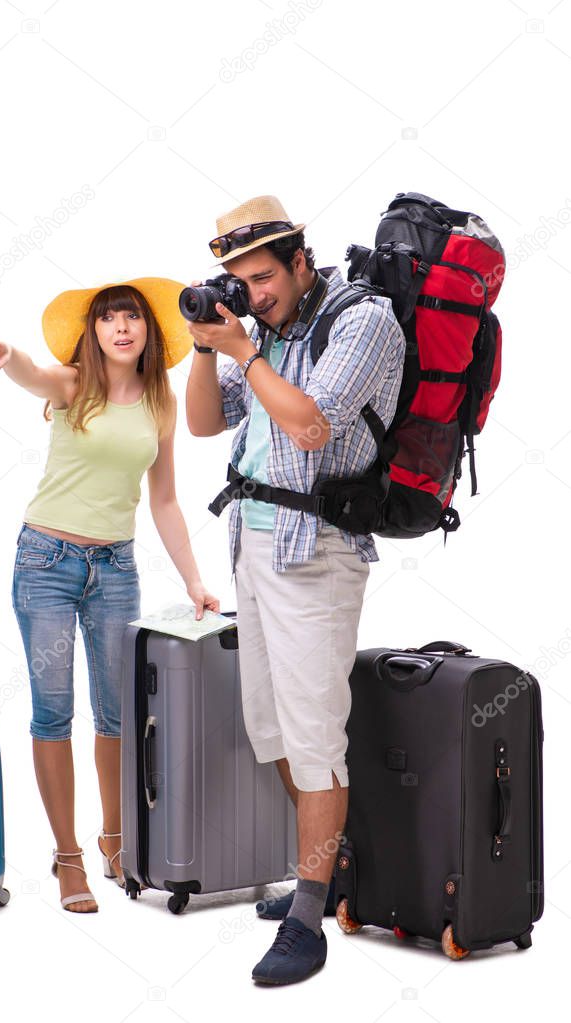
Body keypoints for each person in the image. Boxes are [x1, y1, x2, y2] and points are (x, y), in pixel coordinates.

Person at [185, 196, 405, 985]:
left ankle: (308, 918)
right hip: (254, 546)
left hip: (317, 554)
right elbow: (206, 425)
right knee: (271, 728)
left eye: (263, 277)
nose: (254, 293)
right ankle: (328, 873)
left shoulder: (361, 320)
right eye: (238, 282)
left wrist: (244, 349)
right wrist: (209, 346)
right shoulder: (268, 332)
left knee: (315, 739)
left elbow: (313, 424)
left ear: (299, 259)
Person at [0, 278, 219, 914]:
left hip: (115, 568)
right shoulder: (72, 383)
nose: (120, 327)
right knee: (54, 710)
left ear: (147, 332)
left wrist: (194, 578)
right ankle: (67, 857)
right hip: (47, 563)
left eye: (131, 317)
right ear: (94, 331)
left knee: (117, 713)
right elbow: (31, 373)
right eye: (109, 318)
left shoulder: (161, 404)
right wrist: (7, 360)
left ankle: (115, 841)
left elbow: (163, 500)